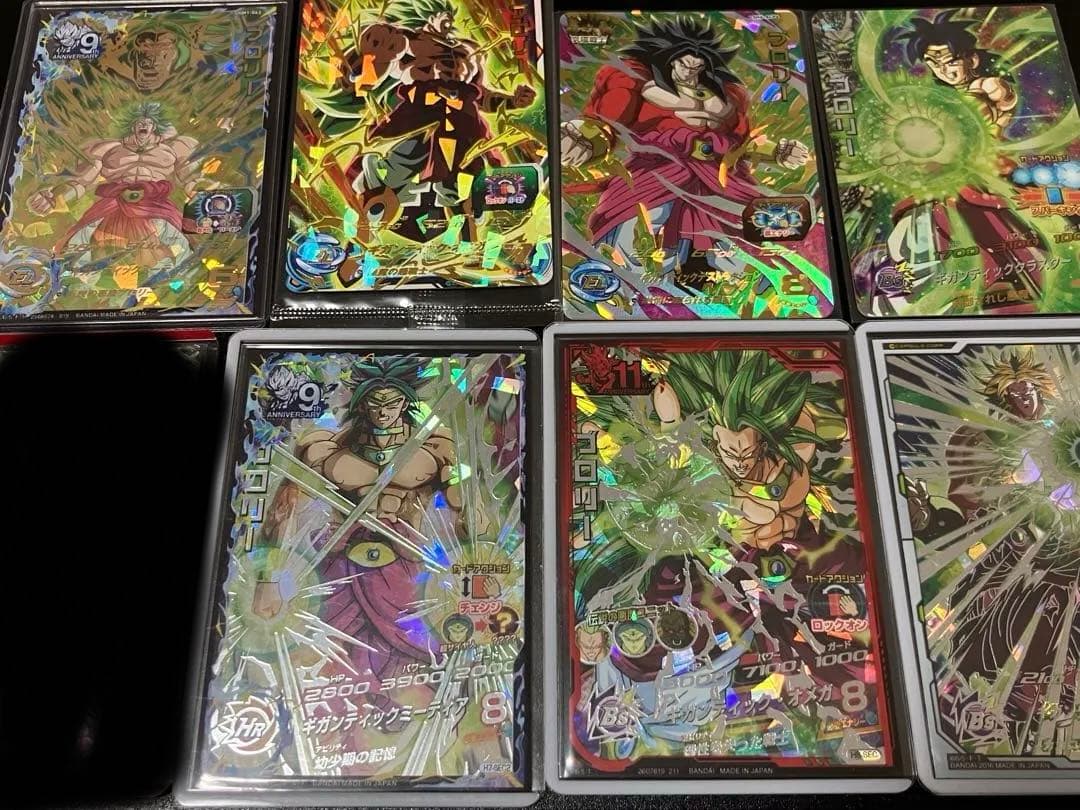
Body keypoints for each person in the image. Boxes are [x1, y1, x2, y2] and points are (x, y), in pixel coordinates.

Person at [560, 16, 810, 283]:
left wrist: (777, 151)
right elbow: (606, 121)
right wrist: (585, 136)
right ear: (670, 58)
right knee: (636, 228)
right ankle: (627, 284)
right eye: (684, 64)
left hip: (719, 178)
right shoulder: (637, 83)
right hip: (658, 171)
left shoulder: (727, 96)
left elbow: (743, 142)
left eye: (698, 66)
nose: (690, 72)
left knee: (735, 245)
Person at [29, 101, 195, 275]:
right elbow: (82, 182)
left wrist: (206, 197)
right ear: (132, 126)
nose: (144, 125)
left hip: (157, 207)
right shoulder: (107, 149)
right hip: (114, 205)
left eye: (149, 122)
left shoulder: (174, 149)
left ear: (155, 126)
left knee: (182, 251)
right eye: (139, 122)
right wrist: (54, 199)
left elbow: (191, 181)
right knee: (80, 248)